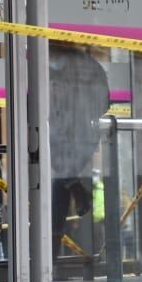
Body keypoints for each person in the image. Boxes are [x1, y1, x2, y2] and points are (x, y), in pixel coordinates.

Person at [48, 44, 111, 261]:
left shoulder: (55, 65)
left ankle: (51, 261)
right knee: (61, 189)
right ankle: (76, 189)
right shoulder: (92, 66)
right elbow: (105, 103)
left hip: (66, 137)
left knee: (59, 191)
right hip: (82, 137)